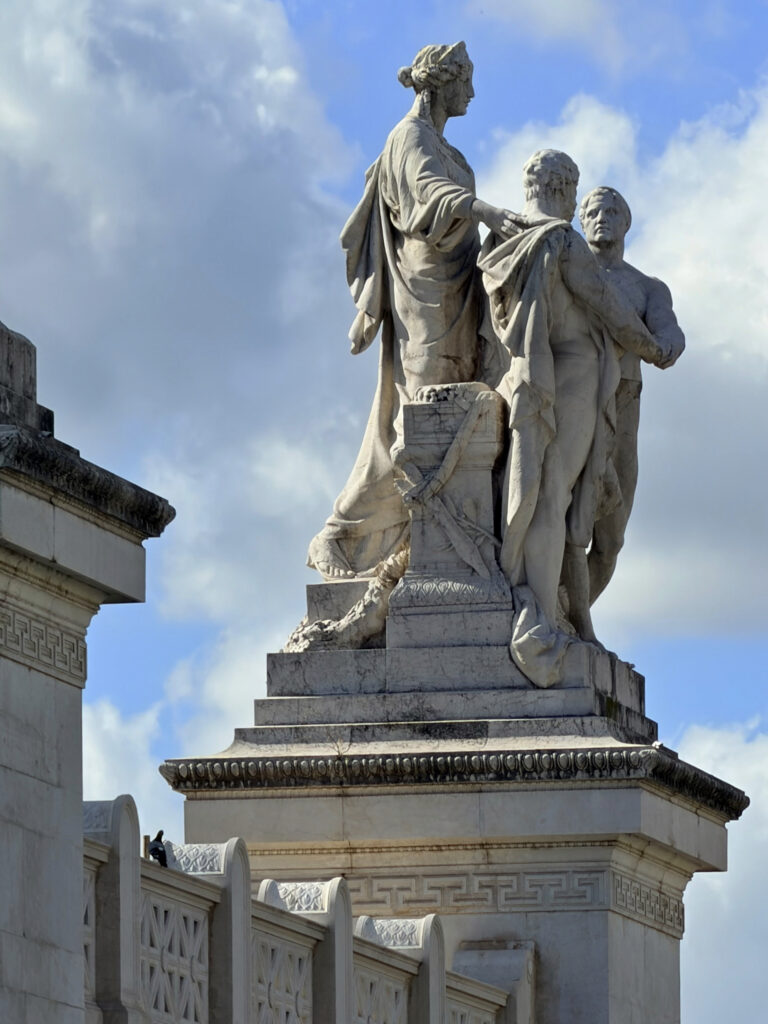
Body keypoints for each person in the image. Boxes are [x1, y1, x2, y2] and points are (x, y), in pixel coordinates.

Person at [307, 42, 518, 580]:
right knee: (419, 411)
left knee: (454, 407)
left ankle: (425, 544)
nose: (471, 91)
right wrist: (484, 208)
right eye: (464, 79)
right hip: (423, 289)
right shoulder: (410, 137)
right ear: (441, 82)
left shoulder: (445, 147)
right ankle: (346, 531)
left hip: (458, 283)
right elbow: (427, 197)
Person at [480, 151, 668, 686]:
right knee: (557, 499)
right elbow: (608, 307)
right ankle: (546, 613)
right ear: (566, 191)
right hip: (575, 382)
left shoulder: (499, 244)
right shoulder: (563, 243)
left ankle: (547, 605)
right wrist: (651, 347)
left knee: (535, 491)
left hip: (523, 380)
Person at [579, 186, 685, 604]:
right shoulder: (567, 272)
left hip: (624, 401)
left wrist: (667, 345)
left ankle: (570, 614)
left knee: (612, 538)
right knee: (566, 517)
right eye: (591, 212)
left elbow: (668, 330)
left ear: (625, 223)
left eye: (610, 211)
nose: (601, 217)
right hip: (575, 396)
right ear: (580, 222)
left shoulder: (646, 287)